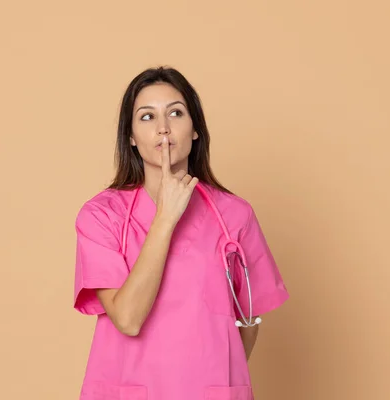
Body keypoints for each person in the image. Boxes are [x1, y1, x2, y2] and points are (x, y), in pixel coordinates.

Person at [73, 66, 289, 400]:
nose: (163, 128)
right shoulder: (102, 216)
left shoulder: (235, 215)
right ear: (130, 136)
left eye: (176, 113)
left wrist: (215, 377)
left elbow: (248, 320)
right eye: (147, 117)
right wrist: (166, 218)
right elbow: (128, 318)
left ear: (195, 130)